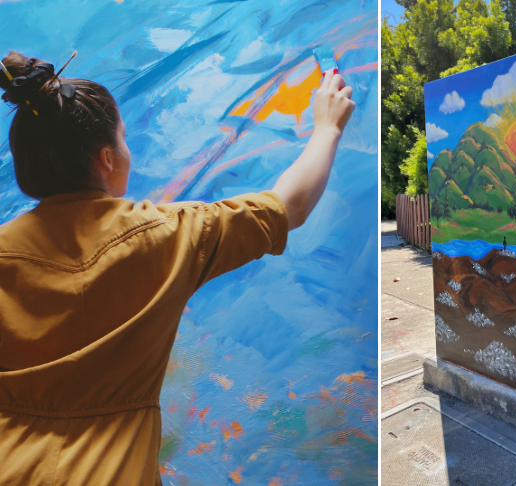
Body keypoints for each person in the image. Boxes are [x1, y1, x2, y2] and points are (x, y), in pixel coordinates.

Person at [0, 51, 355, 484]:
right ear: (107, 158)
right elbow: (289, 206)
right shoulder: (166, 235)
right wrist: (327, 128)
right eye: (124, 139)